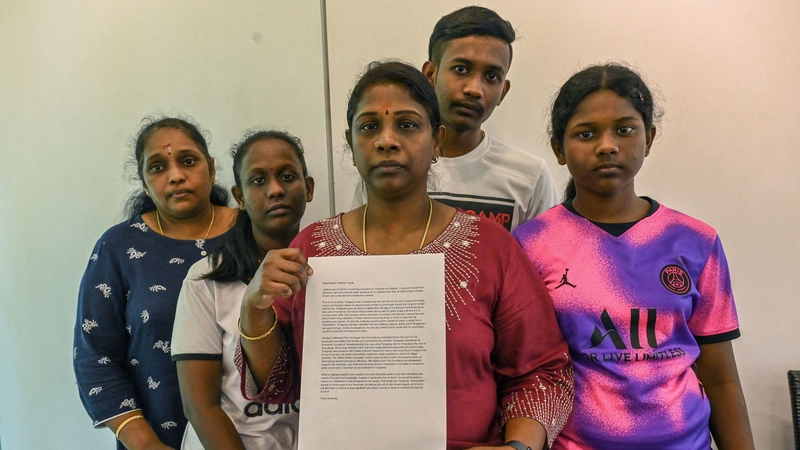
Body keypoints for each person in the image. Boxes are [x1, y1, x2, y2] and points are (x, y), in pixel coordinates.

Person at [237, 61, 573, 450]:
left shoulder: (490, 247)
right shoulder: (312, 250)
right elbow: (280, 384)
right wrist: (253, 309)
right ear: (351, 142)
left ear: (437, 142)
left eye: (407, 125)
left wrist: (518, 448)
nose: (386, 140)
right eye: (369, 127)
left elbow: (544, 371)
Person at [513, 64, 755, 449]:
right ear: (559, 149)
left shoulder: (695, 241)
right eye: (586, 133)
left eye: (624, 129)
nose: (607, 145)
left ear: (650, 138)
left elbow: (721, 377)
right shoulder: (530, 245)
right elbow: (526, 376)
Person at [73, 116, 237, 450]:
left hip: (258, 437)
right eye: (158, 168)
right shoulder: (118, 248)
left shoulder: (252, 233)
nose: (176, 175)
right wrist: (146, 444)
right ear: (145, 184)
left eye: (188, 161)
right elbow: (96, 358)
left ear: (212, 168)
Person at [171, 130, 314, 450]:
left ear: (309, 187)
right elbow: (199, 405)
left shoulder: (327, 269)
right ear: (240, 196)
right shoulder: (205, 279)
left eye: (288, 176)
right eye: (258, 180)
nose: (275, 190)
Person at [421, 6, 557, 231]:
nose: (475, 89)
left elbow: (542, 264)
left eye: (492, 76)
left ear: (503, 92)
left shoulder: (530, 176)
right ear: (430, 76)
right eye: (461, 69)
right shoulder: (393, 166)